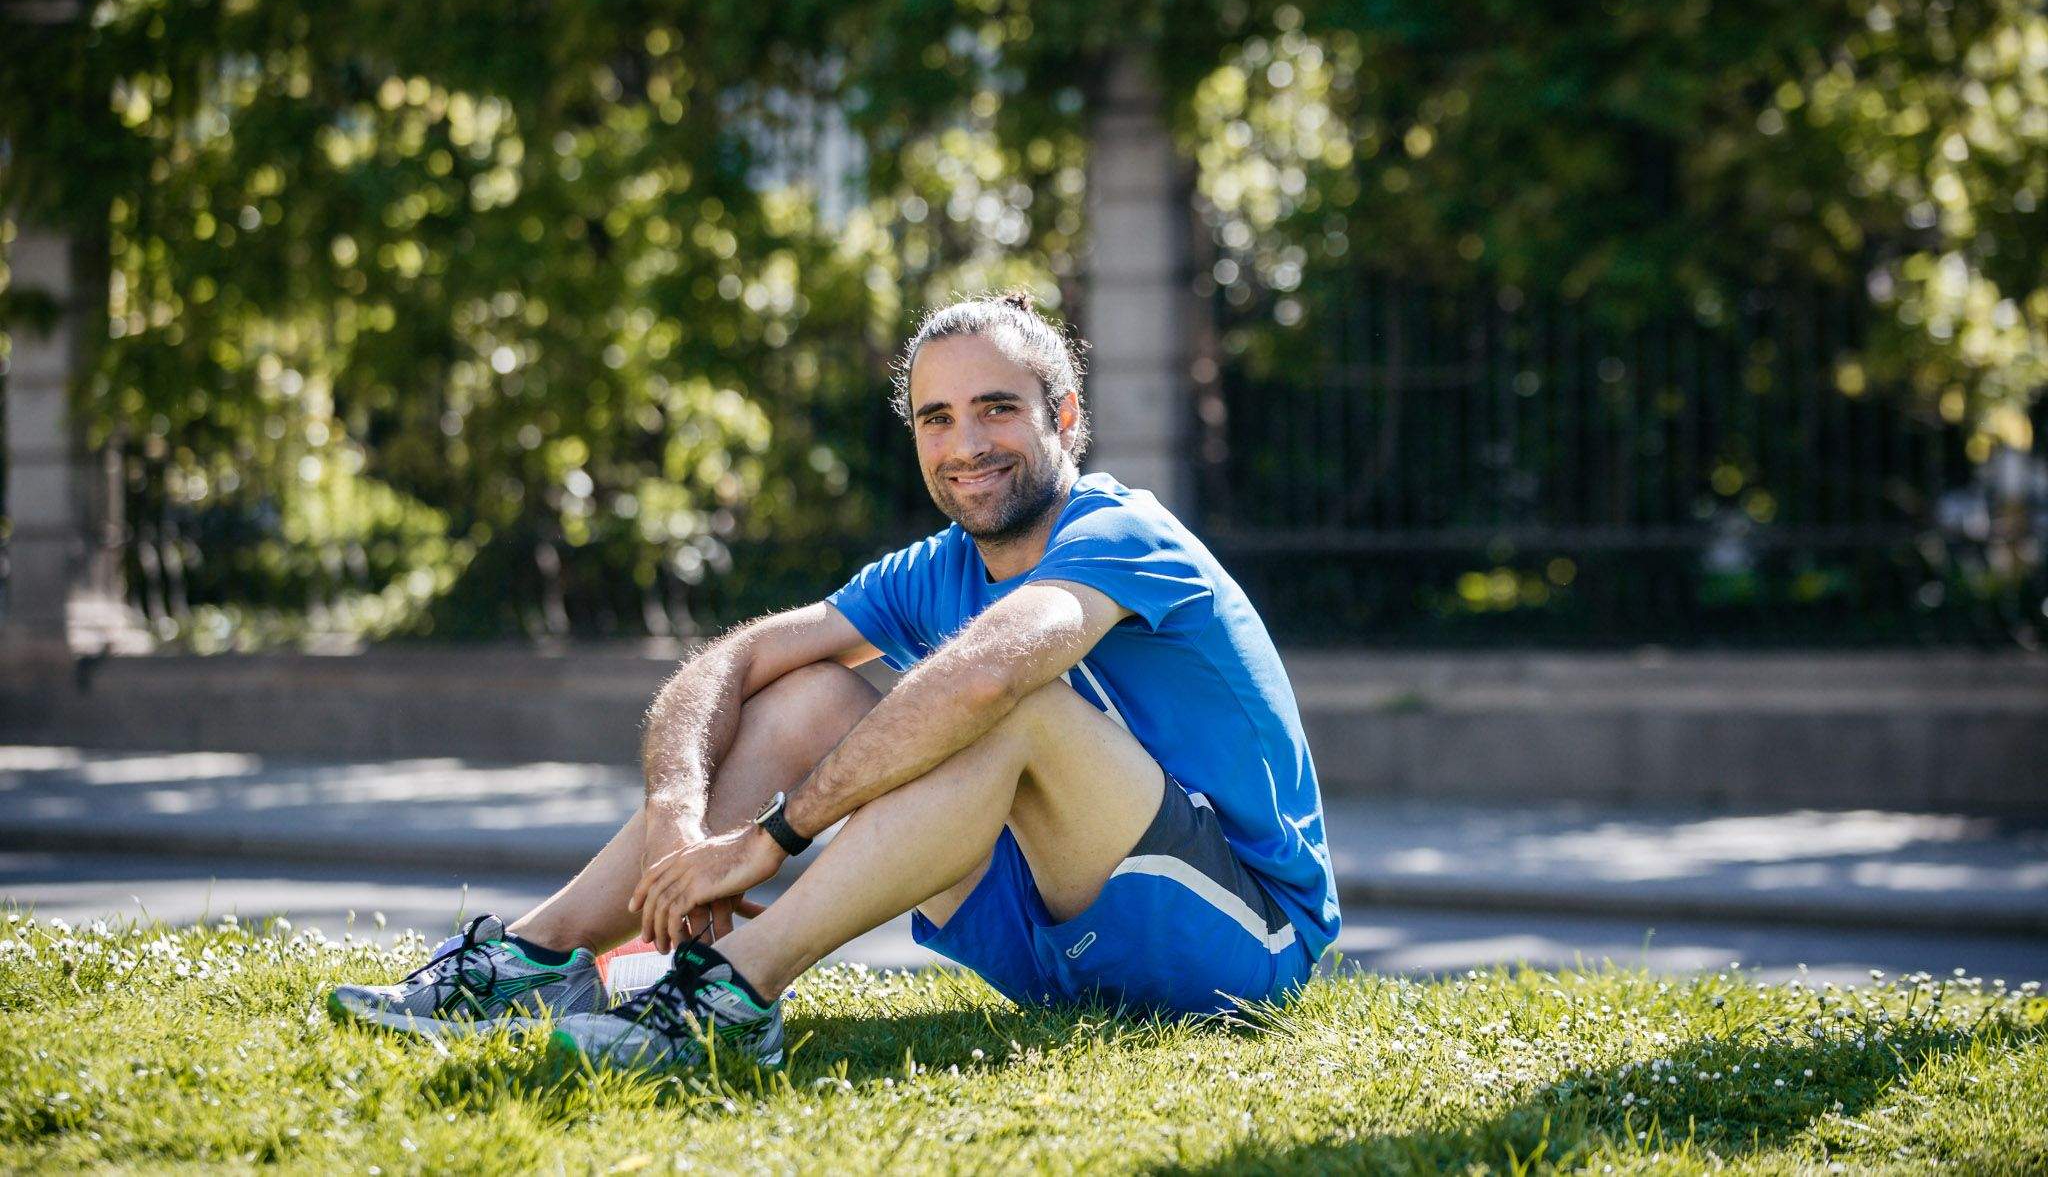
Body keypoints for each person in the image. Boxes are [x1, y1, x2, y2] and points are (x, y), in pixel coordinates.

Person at [327, 293, 1340, 1074]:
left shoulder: (1120, 530)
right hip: (1052, 942)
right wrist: (682, 824)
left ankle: (730, 1001)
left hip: (1240, 942)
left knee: (1007, 699)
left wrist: (770, 842)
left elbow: (991, 676)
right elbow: (728, 662)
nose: (965, 443)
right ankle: (535, 960)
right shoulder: (936, 565)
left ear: (1062, 416)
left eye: (996, 409)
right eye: (935, 418)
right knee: (807, 689)